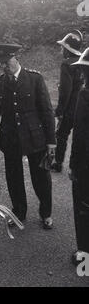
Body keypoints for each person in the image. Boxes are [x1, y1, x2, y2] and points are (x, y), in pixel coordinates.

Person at [0, 43, 56, 229]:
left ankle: (46, 213)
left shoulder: (35, 79)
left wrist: (51, 141)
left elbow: (47, 111)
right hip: (10, 139)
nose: (4, 66)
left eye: (7, 61)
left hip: (35, 138)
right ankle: (19, 212)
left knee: (41, 178)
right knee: (13, 178)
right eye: (0, 64)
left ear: (16, 57)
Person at [51, 30, 84, 172]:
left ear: (67, 49)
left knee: (61, 135)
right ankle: (77, 166)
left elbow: (66, 91)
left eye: (62, 47)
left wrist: (59, 111)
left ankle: (58, 163)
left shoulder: (66, 64)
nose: (61, 49)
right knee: (80, 136)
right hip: (83, 106)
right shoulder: (83, 61)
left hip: (70, 108)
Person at [69, 48, 89, 263]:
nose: (82, 74)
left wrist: (74, 166)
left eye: (84, 70)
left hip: (86, 167)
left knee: (83, 209)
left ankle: (85, 254)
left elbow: (80, 134)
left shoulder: (85, 94)